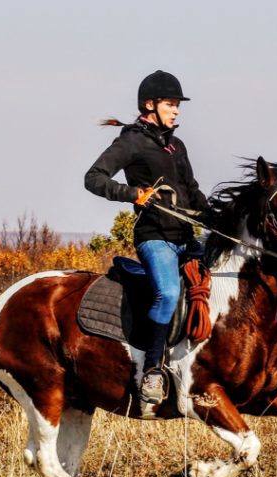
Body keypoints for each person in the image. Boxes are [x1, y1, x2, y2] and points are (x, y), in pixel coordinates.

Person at [84, 70, 209, 404]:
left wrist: (217, 216)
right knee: (168, 293)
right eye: (171, 103)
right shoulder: (131, 141)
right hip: (154, 237)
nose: (177, 110)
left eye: (177, 104)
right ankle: (151, 371)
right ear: (150, 105)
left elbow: (192, 191)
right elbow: (93, 178)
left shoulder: (175, 145)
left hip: (185, 235)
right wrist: (132, 194)